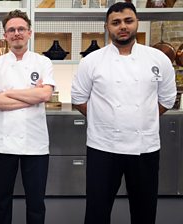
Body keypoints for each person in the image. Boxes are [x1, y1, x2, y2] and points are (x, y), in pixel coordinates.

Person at [71, 2, 176, 224]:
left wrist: (142, 118)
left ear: (137, 22)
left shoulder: (158, 59)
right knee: (97, 212)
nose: (123, 27)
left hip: (145, 147)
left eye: (128, 21)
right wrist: (104, 120)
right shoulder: (92, 61)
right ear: (107, 27)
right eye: (116, 22)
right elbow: (79, 99)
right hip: (103, 147)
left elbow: (167, 99)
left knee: (144, 211)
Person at [0, 9, 55, 224]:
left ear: (29, 33)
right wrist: (31, 97)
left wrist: (8, 93)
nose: (16, 33)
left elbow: (45, 94)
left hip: (35, 143)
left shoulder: (43, 62)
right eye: (11, 30)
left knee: (36, 201)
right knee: (2, 200)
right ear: (5, 35)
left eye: (21, 29)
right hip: (2, 144)